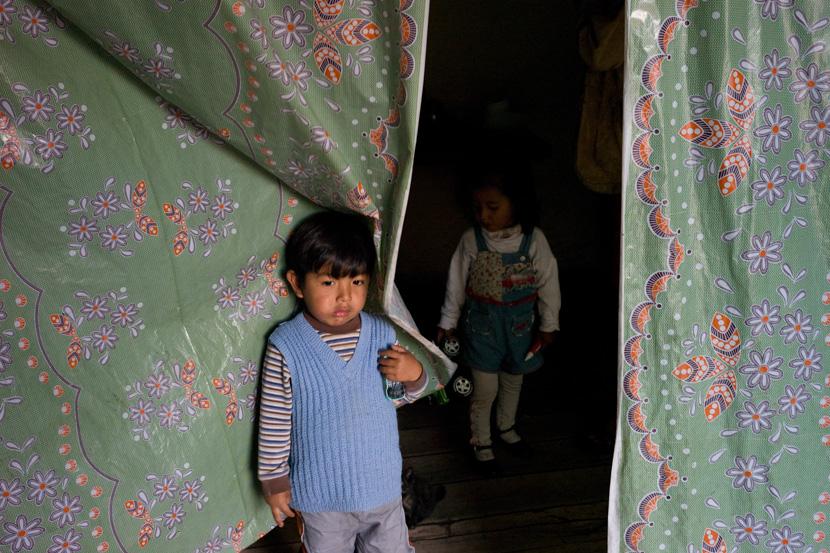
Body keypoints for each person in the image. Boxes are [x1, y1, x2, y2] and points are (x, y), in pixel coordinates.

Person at [257, 211, 428, 552]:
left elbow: (393, 398)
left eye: (357, 282)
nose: (345, 296)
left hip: (382, 489)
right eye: (328, 282)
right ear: (296, 283)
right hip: (322, 500)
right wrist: (274, 479)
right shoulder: (287, 346)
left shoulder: (381, 333)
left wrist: (415, 376)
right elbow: (274, 422)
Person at [437, 164, 561, 463]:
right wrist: (448, 322)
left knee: (512, 381)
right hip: (482, 330)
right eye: (478, 208)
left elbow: (548, 282)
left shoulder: (534, 240)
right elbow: (455, 283)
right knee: (484, 390)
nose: (484, 216)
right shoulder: (471, 240)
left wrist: (549, 323)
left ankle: (506, 426)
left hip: (520, 329)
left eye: (493, 207)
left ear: (518, 204)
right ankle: (481, 440)